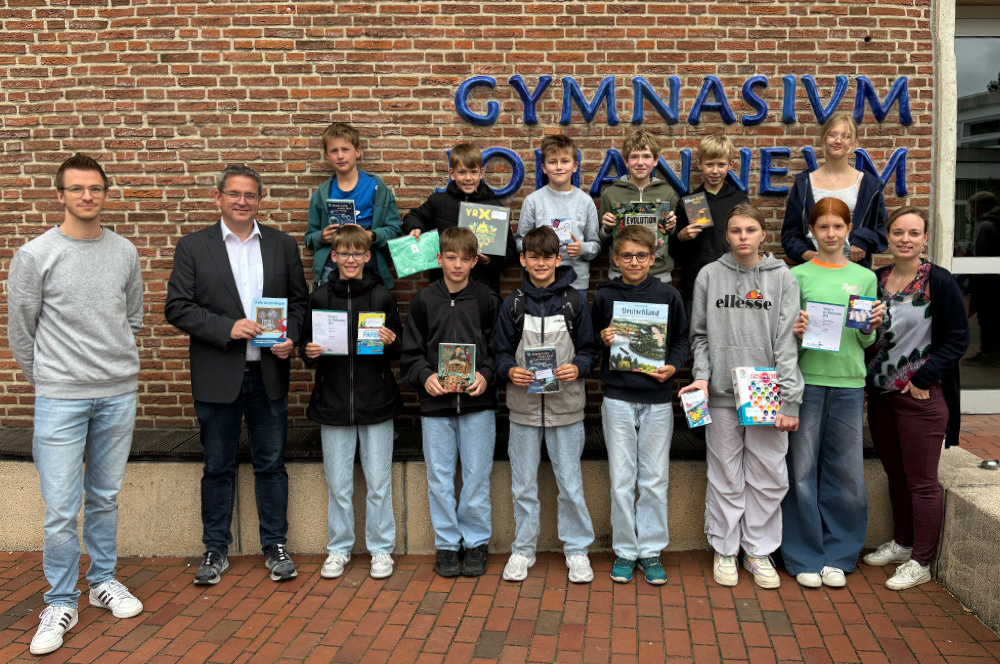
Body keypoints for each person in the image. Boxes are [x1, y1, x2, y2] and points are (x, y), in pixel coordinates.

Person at [8, 154, 145, 655]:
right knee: (62, 508)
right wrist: (49, 378)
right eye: (77, 189)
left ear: (105, 193)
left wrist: (115, 366)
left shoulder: (124, 251)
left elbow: (132, 317)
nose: (88, 196)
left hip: (117, 393)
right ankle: (61, 600)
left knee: (105, 496)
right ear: (60, 195)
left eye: (95, 188)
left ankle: (102, 581)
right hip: (60, 399)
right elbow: (21, 331)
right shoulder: (35, 255)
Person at [165, 164, 308, 585]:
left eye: (250, 195)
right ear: (218, 197)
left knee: (271, 464)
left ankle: (275, 545)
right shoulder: (193, 246)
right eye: (234, 194)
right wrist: (227, 328)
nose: (242, 201)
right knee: (218, 466)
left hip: (268, 374)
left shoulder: (282, 245)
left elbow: (299, 303)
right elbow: (178, 307)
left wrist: (292, 337)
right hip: (217, 374)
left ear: (260, 200)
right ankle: (215, 549)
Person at [678, 203, 803, 590]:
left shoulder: (782, 278)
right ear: (727, 235)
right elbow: (700, 335)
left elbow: (786, 343)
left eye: (750, 230)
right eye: (735, 230)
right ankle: (725, 549)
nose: (743, 237)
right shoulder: (709, 275)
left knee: (768, 476)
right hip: (720, 392)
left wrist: (789, 399)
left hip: (765, 391)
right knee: (725, 476)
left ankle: (758, 551)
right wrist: (701, 377)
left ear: (763, 234)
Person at [863, 207, 970, 590]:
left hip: (921, 397)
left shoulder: (938, 281)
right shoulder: (875, 280)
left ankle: (921, 561)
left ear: (925, 238)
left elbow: (958, 338)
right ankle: (903, 543)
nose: (905, 239)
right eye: (898, 232)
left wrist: (924, 376)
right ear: (887, 237)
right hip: (881, 396)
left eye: (913, 233)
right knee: (896, 474)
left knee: (921, 482)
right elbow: (865, 337)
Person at [782, 197, 885, 589]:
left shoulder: (864, 278)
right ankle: (804, 555)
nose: (830, 234)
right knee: (801, 472)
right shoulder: (797, 276)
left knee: (846, 474)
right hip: (807, 382)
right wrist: (796, 331)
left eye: (837, 226)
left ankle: (839, 555)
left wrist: (869, 327)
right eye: (822, 227)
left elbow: (865, 339)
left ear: (848, 230)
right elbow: (786, 340)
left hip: (848, 383)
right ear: (812, 231)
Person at [495, 225, 601, 584]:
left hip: (566, 407)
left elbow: (590, 350)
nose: (540, 263)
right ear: (523, 260)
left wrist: (578, 367)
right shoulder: (513, 303)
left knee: (570, 483)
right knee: (523, 485)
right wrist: (509, 371)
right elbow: (500, 352)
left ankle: (577, 549)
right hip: (523, 409)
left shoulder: (575, 301)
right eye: (533, 257)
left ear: (559, 259)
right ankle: (523, 549)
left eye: (547, 257)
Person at [301, 225, 404, 580]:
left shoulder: (381, 296)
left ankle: (381, 549)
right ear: (333, 256)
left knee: (378, 483)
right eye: (344, 253)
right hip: (333, 401)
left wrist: (391, 341)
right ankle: (339, 548)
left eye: (357, 253)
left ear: (367, 256)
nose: (350, 259)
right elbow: (306, 348)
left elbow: (400, 348)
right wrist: (309, 351)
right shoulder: (320, 297)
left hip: (376, 401)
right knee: (339, 485)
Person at [400, 227, 501, 578]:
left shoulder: (487, 300)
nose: (457, 265)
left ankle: (476, 542)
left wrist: (486, 374)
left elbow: (500, 349)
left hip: (477, 405)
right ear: (439, 258)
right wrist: (424, 375)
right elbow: (410, 352)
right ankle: (446, 543)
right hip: (436, 407)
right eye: (451, 257)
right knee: (440, 479)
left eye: (465, 259)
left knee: (476, 477)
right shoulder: (423, 301)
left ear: (475, 261)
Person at [591, 225, 689, 585]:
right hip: (617, 396)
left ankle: (650, 550)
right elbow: (590, 340)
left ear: (653, 258)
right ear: (616, 258)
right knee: (621, 479)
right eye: (627, 256)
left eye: (642, 256)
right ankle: (625, 550)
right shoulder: (605, 295)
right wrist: (603, 338)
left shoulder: (668, 295)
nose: (634, 262)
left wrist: (673, 366)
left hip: (657, 399)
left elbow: (681, 340)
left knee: (654, 478)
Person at [402, 142, 517, 295]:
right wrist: (415, 228)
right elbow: (413, 216)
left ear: (481, 173)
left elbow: (510, 251)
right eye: (462, 172)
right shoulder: (438, 202)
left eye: (473, 172)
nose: (468, 178)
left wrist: (491, 261)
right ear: (452, 173)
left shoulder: (495, 207)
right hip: (443, 289)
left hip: (481, 290)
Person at [781, 111, 888, 269]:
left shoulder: (868, 185)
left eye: (846, 136)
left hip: (854, 271)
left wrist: (862, 241)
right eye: (833, 135)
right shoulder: (804, 183)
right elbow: (790, 233)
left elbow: (881, 230)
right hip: (814, 270)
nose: (838, 141)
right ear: (824, 139)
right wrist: (805, 253)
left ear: (854, 143)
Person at [304, 122, 402, 288]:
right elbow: (309, 239)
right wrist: (322, 237)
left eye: (345, 149)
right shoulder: (321, 194)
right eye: (334, 151)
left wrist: (371, 236)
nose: (340, 156)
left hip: (369, 265)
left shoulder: (376, 188)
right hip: (332, 267)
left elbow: (395, 231)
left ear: (357, 151)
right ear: (327, 155)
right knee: (328, 306)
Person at [515, 133, 600, 298]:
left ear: (575, 166)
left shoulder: (586, 202)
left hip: (575, 283)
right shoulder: (533, 201)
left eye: (565, 161)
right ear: (544, 168)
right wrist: (538, 247)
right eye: (553, 162)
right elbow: (519, 242)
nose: (559, 167)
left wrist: (582, 248)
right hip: (539, 283)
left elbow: (596, 246)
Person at [671, 133, 750, 306]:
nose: (715, 171)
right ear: (699, 164)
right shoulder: (691, 201)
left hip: (733, 283)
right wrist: (680, 237)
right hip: (697, 284)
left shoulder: (739, 200)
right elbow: (675, 253)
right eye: (709, 164)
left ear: (730, 165)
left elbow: (750, 242)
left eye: (721, 165)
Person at [598, 128, 679, 284]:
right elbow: (602, 240)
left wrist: (671, 227)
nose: (640, 162)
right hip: (620, 274)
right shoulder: (611, 193)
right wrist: (607, 229)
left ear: (655, 160)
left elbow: (670, 237)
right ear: (626, 162)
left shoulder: (667, 193)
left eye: (646, 156)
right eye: (634, 157)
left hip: (659, 274)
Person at [964, 191, 1000, 366]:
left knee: (986, 317)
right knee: (993, 316)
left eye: (972, 207)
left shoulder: (985, 225)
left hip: (986, 281)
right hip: (995, 279)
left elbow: (980, 255)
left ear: (982, 207)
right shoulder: (996, 222)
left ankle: (987, 353)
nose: (971, 211)